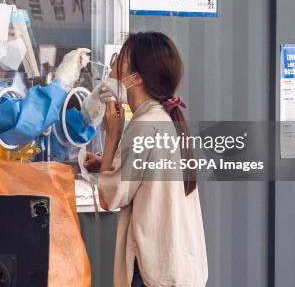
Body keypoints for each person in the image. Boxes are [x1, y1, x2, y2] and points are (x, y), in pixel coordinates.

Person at [84, 32, 208, 287]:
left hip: (152, 274)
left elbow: (111, 197)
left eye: (120, 61)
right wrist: (108, 162)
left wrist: (113, 134)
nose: (113, 67)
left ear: (136, 78)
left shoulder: (143, 126)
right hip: (179, 266)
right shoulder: (165, 119)